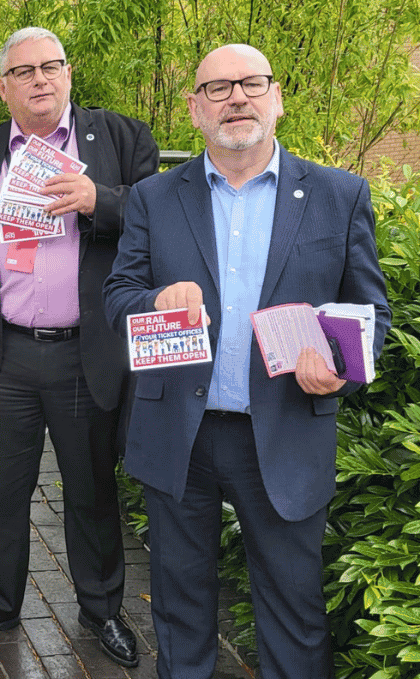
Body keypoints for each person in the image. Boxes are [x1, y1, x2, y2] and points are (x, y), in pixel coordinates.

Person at [104, 44, 390, 679]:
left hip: (287, 427)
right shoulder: (153, 197)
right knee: (179, 605)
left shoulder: (339, 195)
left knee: (293, 609)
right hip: (180, 428)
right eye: (217, 88)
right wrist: (156, 298)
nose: (237, 97)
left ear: (277, 96)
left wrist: (340, 365)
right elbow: (116, 298)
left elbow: (372, 315)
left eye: (252, 84)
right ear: (194, 109)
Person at [0, 27, 159, 664]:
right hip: (1, 352)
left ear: (68, 72)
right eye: (25, 71)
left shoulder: (120, 138)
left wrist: (98, 201)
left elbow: (160, 219)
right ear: (3, 87)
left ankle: (102, 610)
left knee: (90, 488)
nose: (40, 80)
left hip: (87, 353)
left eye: (51, 66)